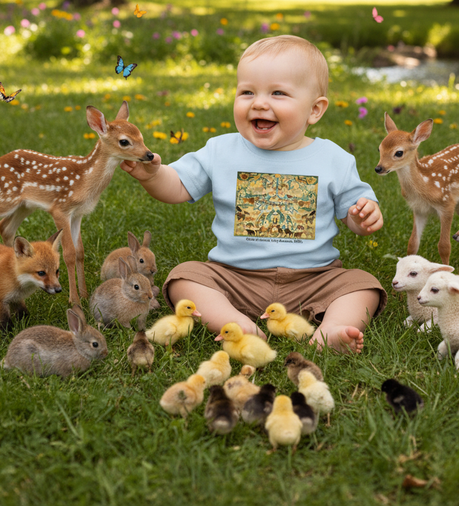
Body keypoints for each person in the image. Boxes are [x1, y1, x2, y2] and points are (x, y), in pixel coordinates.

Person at [121, 35, 386, 352]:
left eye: (278, 93)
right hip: (235, 278)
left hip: (314, 279)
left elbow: (353, 214)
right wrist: (153, 175)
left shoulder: (334, 159)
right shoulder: (221, 149)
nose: (259, 103)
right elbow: (177, 186)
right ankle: (233, 321)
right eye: (247, 92)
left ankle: (331, 331)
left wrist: (363, 215)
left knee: (362, 285)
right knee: (184, 277)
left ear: (314, 110)